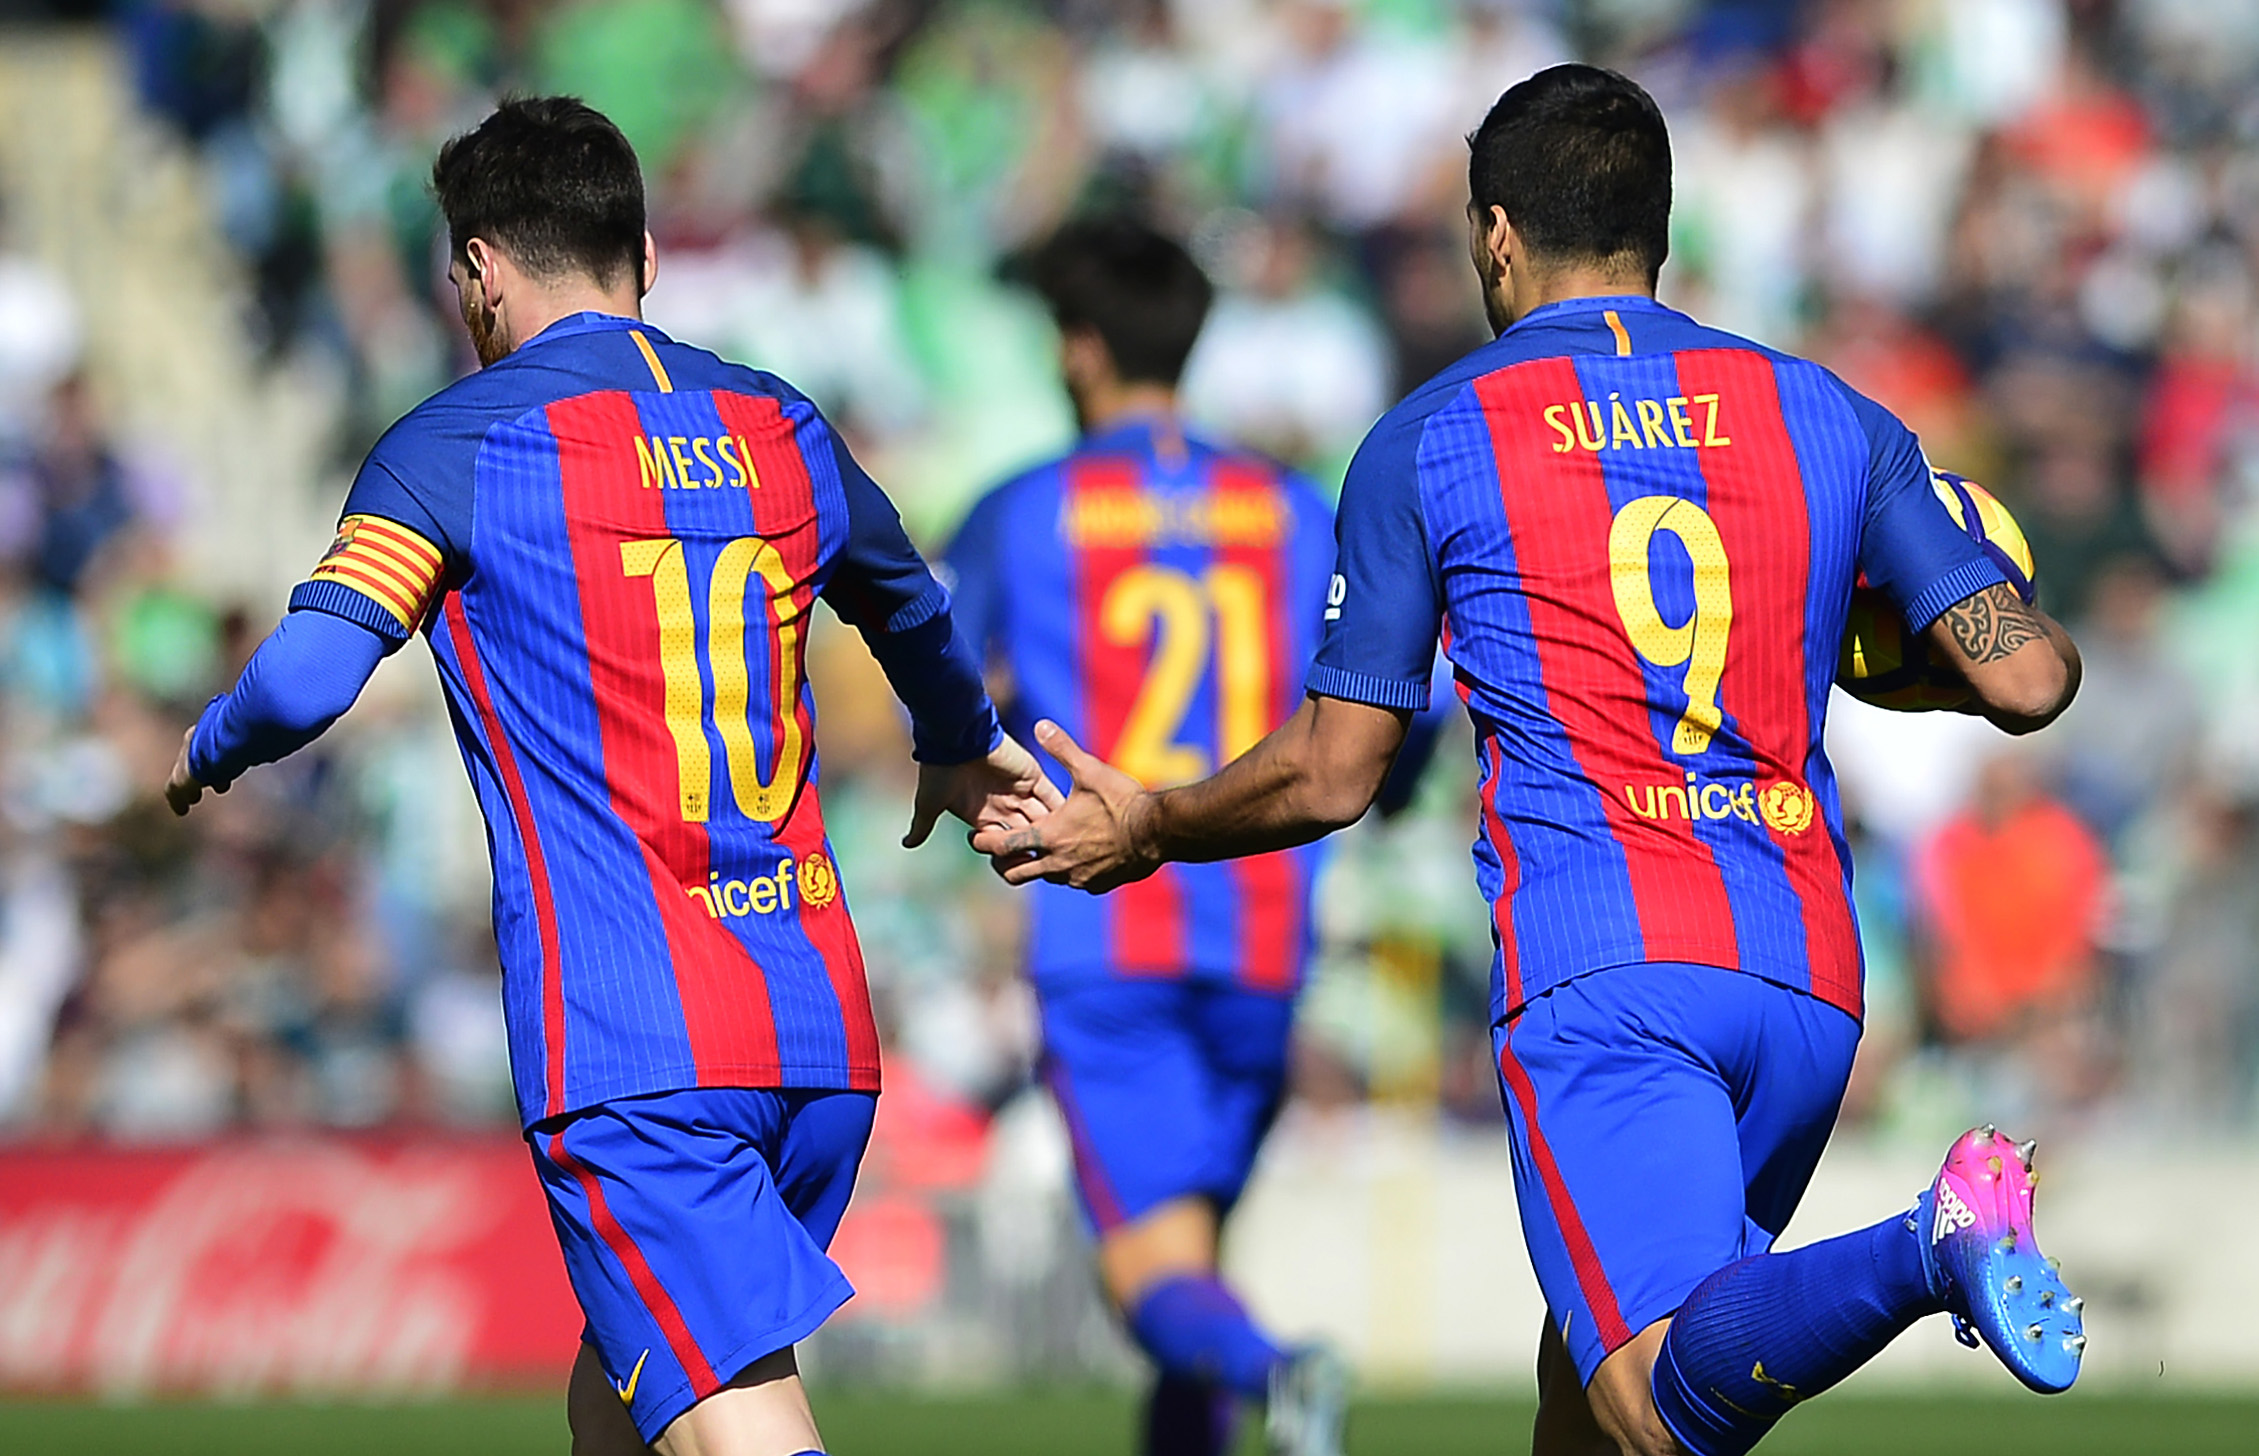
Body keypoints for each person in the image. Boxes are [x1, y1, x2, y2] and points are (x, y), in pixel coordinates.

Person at [976, 65, 2088, 1456]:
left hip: (1607, 963)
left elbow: (1333, 773)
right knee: (1584, 1416)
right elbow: (2027, 676)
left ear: (1493, 233)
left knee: (1649, 1401)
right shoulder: (1825, 412)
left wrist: (1151, 824)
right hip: (1802, 970)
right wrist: (1888, 648)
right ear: (1656, 230)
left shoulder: (1431, 435)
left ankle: (1930, 1244)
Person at [164, 97, 1057, 1456]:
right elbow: (911, 605)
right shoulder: (779, 426)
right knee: (629, 1388)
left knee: (726, 1420)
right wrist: (953, 738)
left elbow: (301, 683)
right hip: (813, 1029)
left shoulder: (458, 446)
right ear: (643, 250)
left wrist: (205, 745)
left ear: (476, 269)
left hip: (638, 1041)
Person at [945, 217, 1349, 1456]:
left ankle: (1286, 1373)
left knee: (1145, 1277)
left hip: (1106, 933)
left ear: (1077, 353)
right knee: (1193, 1251)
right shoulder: (1297, 510)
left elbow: (938, 690)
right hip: (1267, 932)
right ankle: (1242, 1396)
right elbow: (1405, 714)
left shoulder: (1023, 512)